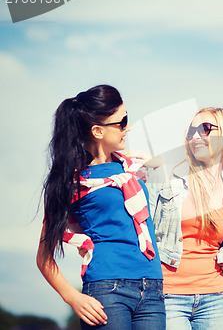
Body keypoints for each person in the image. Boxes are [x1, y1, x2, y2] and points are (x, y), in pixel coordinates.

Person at [36, 85, 165, 329]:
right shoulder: (72, 182)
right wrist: (73, 298)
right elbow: (43, 257)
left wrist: (156, 163)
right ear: (97, 131)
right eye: (121, 122)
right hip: (108, 289)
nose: (128, 127)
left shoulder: (132, 168)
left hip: (153, 288)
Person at [146, 107, 223, 329]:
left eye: (205, 129)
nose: (195, 136)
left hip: (215, 297)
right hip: (169, 295)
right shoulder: (169, 178)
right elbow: (143, 231)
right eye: (191, 131)